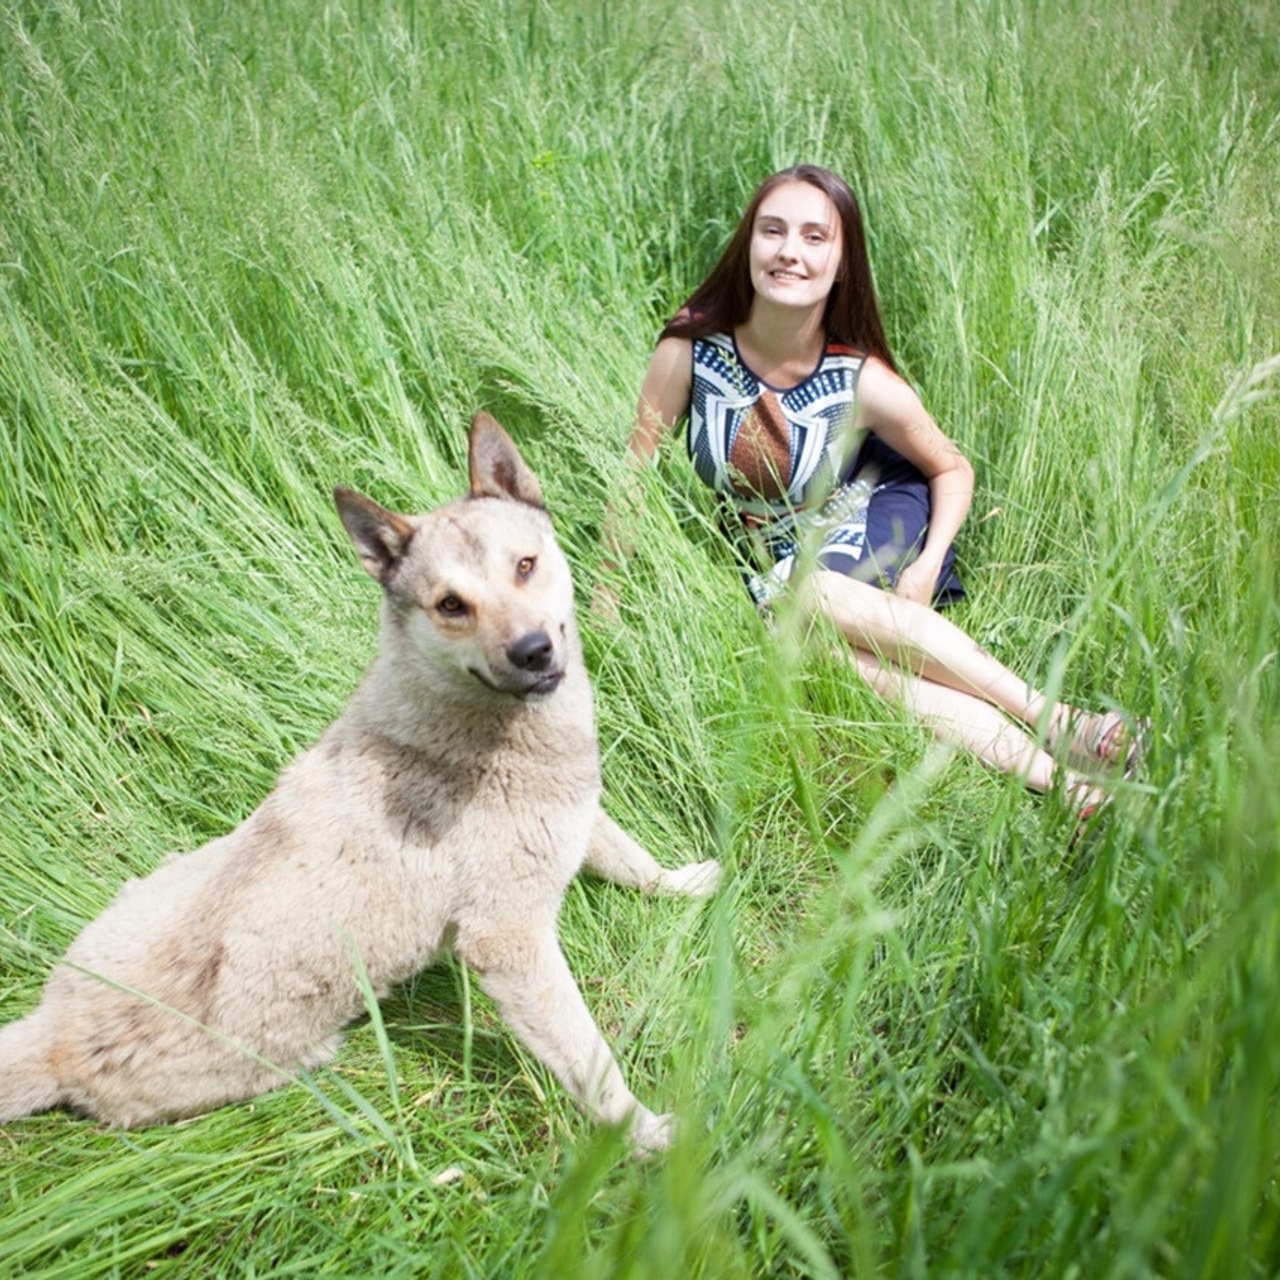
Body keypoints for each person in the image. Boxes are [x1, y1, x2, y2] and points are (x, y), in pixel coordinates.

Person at [614, 164, 1144, 825]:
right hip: (775, 550)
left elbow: (951, 468)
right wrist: (606, 599)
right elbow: (632, 477)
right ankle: (1065, 786)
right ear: (748, 242)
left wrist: (925, 566)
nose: (789, 251)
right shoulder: (689, 350)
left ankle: (1055, 716)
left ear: (841, 265)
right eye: (772, 230)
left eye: (815, 237)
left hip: (867, 506)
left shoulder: (859, 378)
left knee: (803, 592)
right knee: (810, 644)